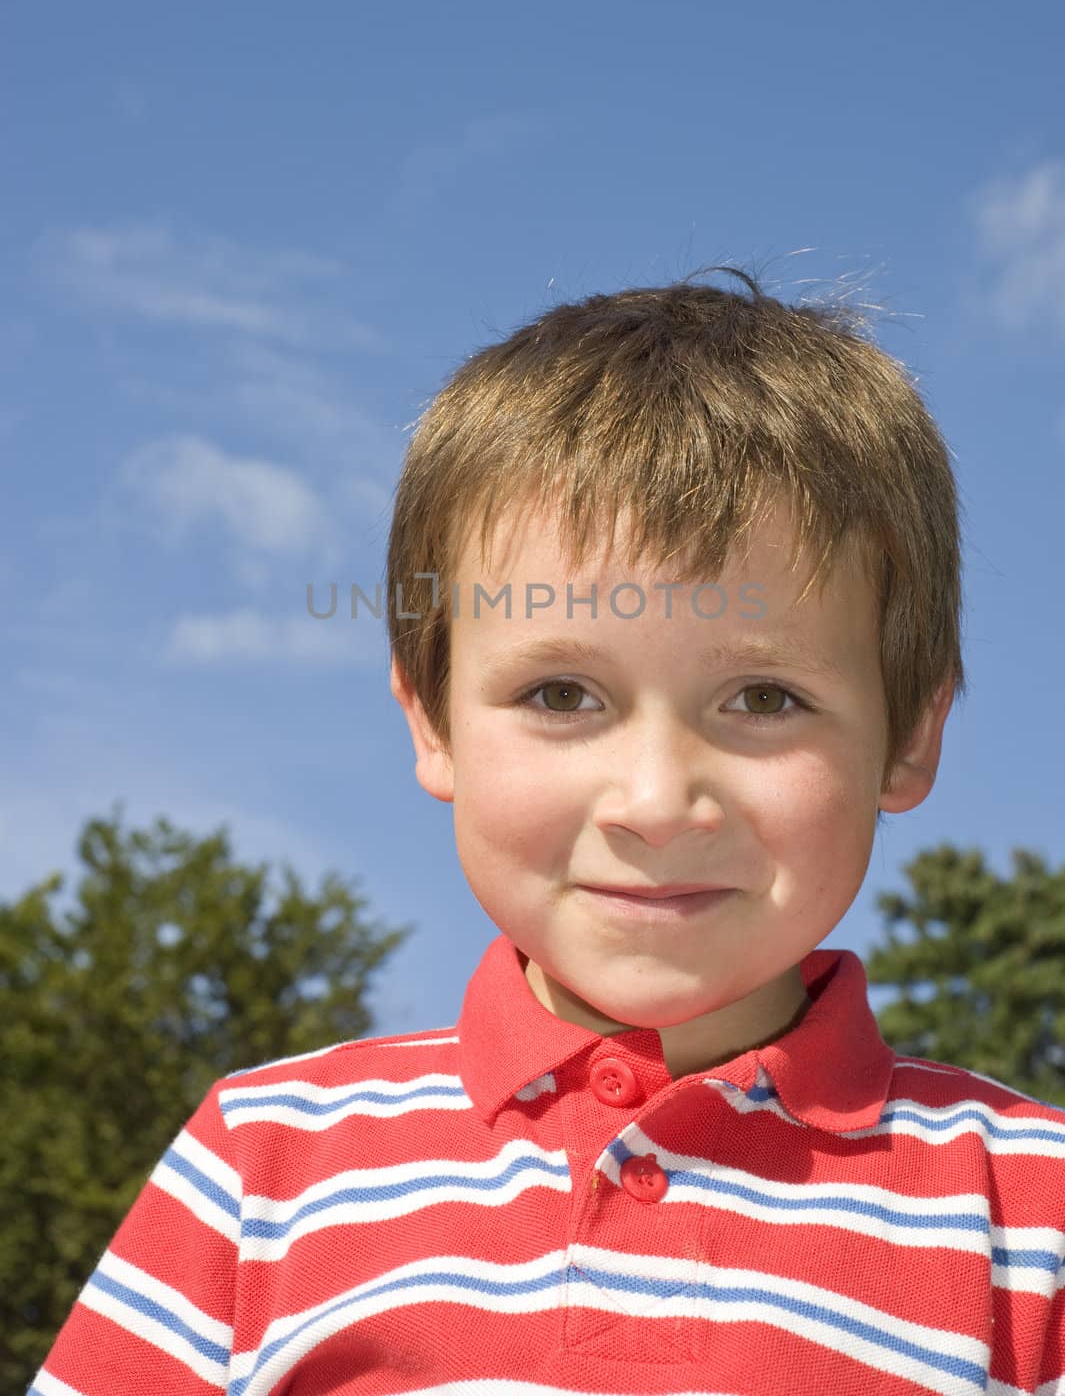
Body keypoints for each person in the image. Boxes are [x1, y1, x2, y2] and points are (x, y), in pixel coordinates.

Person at [30, 268, 1065, 1395]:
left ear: (910, 736)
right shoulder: (261, 1162)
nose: (658, 799)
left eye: (765, 698)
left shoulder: (1034, 1209)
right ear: (432, 720)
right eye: (564, 695)